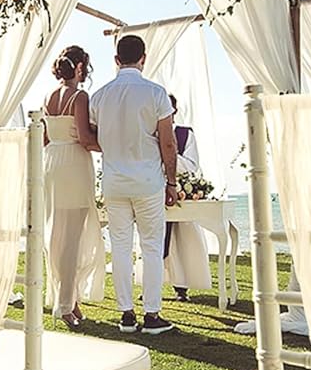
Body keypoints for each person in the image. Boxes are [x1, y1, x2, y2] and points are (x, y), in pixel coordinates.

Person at [90, 34, 179, 334]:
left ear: (116, 60)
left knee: (120, 247)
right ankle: (152, 315)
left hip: (114, 182)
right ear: (144, 58)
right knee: (151, 247)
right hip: (148, 181)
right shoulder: (156, 93)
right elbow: (168, 143)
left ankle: (126, 314)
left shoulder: (99, 97)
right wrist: (172, 182)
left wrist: (114, 148)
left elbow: (93, 136)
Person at [41, 45, 105, 329]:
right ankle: (65, 305)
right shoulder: (79, 97)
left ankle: (69, 298)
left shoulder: (48, 96)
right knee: (72, 238)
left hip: (51, 162)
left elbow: (45, 138)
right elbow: (85, 138)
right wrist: (112, 146)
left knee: (57, 235)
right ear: (80, 67)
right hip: (73, 165)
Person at [162, 94, 212, 301]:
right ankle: (152, 284)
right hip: (155, 192)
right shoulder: (149, 134)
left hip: (181, 192)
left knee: (184, 239)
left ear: (174, 111)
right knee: (153, 238)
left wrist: (169, 155)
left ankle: (182, 286)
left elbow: (192, 165)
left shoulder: (184, 134)